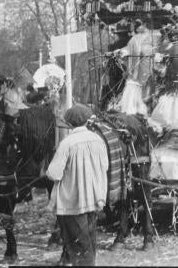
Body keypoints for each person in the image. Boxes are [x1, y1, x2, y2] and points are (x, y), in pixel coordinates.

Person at [46, 104, 108, 266]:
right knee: (89, 241)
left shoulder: (67, 143)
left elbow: (54, 173)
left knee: (77, 245)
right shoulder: (98, 140)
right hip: (94, 200)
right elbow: (105, 167)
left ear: (70, 123)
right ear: (88, 121)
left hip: (72, 203)